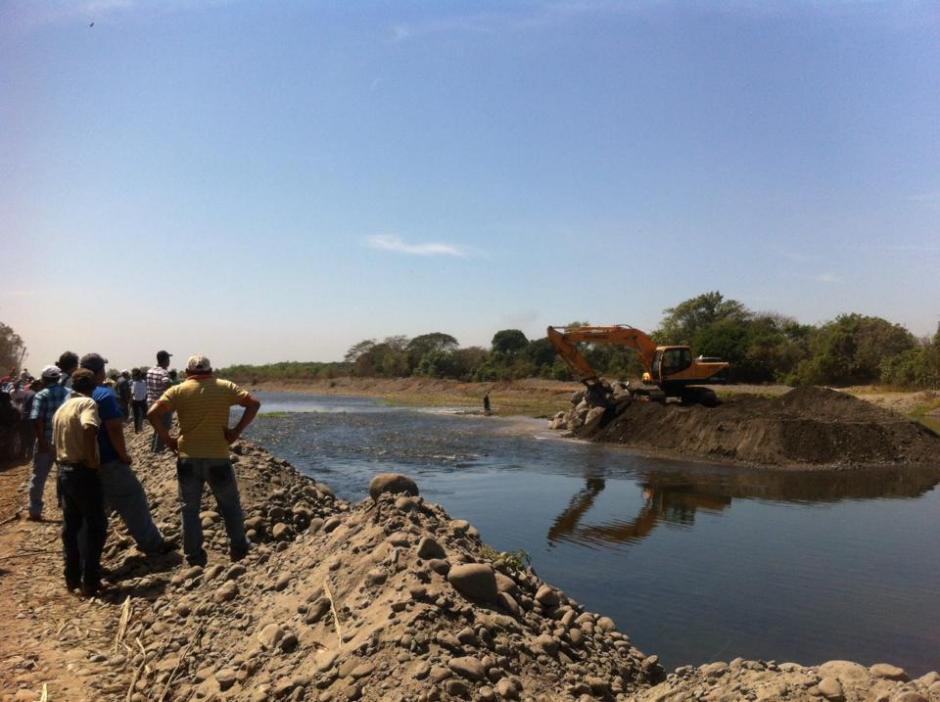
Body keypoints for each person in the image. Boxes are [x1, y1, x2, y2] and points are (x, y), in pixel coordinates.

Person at [148, 355, 260, 566]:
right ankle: (239, 549)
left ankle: (194, 557)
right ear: (210, 370)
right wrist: (235, 432)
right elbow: (253, 404)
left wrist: (168, 440)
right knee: (230, 505)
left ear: (188, 372)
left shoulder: (178, 390)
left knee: (189, 508)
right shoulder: (224, 386)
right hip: (218, 456)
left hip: (188, 458)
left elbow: (152, 413)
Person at [80, 354, 170, 555]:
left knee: (89, 510)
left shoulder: (73, 397)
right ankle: (151, 543)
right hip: (108, 460)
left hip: (81, 464)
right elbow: (114, 429)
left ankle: (82, 558)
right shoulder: (104, 395)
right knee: (133, 497)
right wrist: (123, 455)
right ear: (99, 371)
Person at [53, 368, 106, 597]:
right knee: (97, 526)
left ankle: (72, 578)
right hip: (82, 471)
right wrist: (92, 460)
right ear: (93, 385)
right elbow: (89, 427)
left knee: (71, 528)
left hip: (64, 472)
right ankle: (91, 581)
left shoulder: (62, 408)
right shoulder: (88, 404)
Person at [27, 365, 71, 520]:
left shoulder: (41, 395)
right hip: (64, 442)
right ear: (58, 378)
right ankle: (68, 508)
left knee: (39, 477)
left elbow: (36, 419)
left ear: (44, 379)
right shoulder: (69, 394)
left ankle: (35, 510)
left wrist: (42, 441)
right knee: (66, 476)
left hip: (45, 442)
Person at [147, 350, 173, 452]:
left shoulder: (150, 371)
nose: (169, 362)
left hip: (150, 403)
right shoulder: (164, 372)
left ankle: (154, 449)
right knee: (164, 426)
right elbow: (166, 383)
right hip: (161, 404)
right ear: (165, 360)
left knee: (157, 426)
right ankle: (159, 449)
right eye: (168, 359)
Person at [0, 392, 21, 463]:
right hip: (8, 428)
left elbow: (17, 419)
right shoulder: (14, 408)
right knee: (9, 444)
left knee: (9, 444)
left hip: (9, 428)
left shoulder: (13, 409)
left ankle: (8, 457)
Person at [130, 368, 148, 433]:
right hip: (139, 401)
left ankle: (139, 429)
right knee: (139, 416)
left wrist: (130, 402)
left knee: (138, 416)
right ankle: (137, 429)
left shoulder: (136, 383)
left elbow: (132, 393)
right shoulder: (141, 382)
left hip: (138, 401)